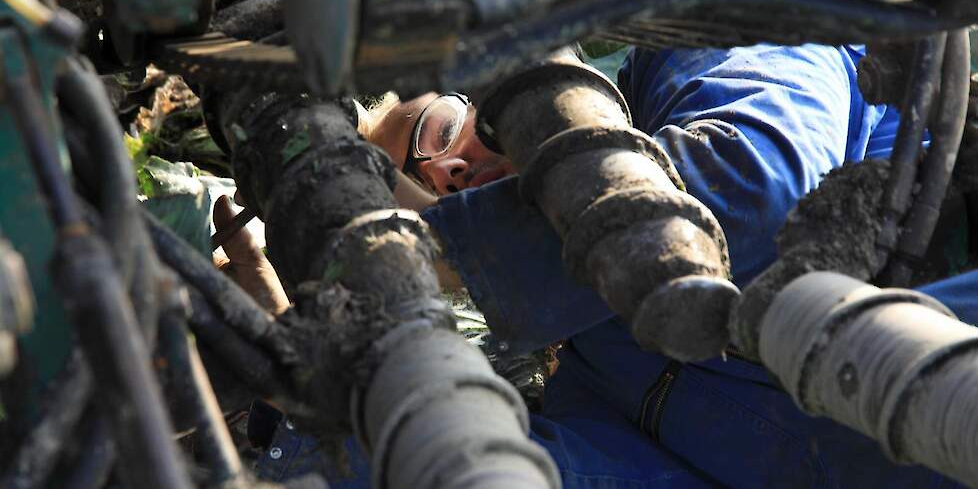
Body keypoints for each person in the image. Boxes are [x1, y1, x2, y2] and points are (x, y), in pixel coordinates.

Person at [221, 43, 978, 487]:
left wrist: (429, 244)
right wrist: (307, 379)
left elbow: (757, 188)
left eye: (439, 128)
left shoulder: (711, 38)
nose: (448, 171)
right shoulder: (597, 370)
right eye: (407, 177)